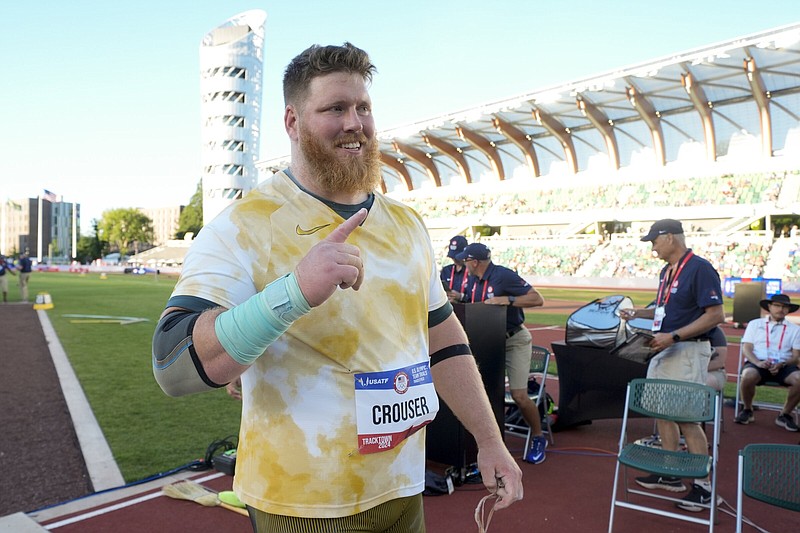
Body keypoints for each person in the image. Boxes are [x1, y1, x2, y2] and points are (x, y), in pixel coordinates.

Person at [152, 42, 522, 532]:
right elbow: (173, 365)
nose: (354, 123)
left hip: (402, 486)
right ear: (292, 122)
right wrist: (295, 291)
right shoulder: (245, 226)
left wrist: (490, 439)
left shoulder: (406, 224)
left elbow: (445, 340)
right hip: (302, 502)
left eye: (362, 107)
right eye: (334, 109)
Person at [618, 219, 724, 512]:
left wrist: (674, 336)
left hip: (686, 350)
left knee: (686, 417)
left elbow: (715, 315)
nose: (652, 247)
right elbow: (666, 310)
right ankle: (670, 472)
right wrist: (638, 312)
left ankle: (703, 487)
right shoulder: (667, 271)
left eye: (654, 240)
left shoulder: (699, 268)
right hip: (664, 348)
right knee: (661, 413)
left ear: (670, 238)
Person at [455, 242, 548, 464]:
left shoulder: (503, 276)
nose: (463, 265)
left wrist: (507, 300)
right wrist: (458, 298)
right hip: (488, 342)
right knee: (481, 392)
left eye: (465, 261)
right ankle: (487, 441)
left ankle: (537, 436)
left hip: (513, 340)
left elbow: (537, 298)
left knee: (519, 395)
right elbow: (475, 305)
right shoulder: (473, 281)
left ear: (474, 262)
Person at [734, 293, 800, 431]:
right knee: (748, 375)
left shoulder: (795, 329)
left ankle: (785, 414)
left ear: (788, 310)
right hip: (758, 362)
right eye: (777, 305)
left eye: (784, 307)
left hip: (784, 365)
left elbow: (795, 357)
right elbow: (746, 348)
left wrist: (782, 364)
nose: (781, 309)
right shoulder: (754, 324)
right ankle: (747, 409)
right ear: (769, 307)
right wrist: (758, 363)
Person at [440, 235, 469, 304]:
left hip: (466, 310)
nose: (455, 259)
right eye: (452, 256)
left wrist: (461, 297)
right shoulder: (446, 270)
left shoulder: (472, 272)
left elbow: (478, 298)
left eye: (457, 256)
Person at [705, 326, 728, 392]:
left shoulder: (714, 331)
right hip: (684, 370)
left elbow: (719, 362)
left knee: (700, 384)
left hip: (713, 371)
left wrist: (695, 370)